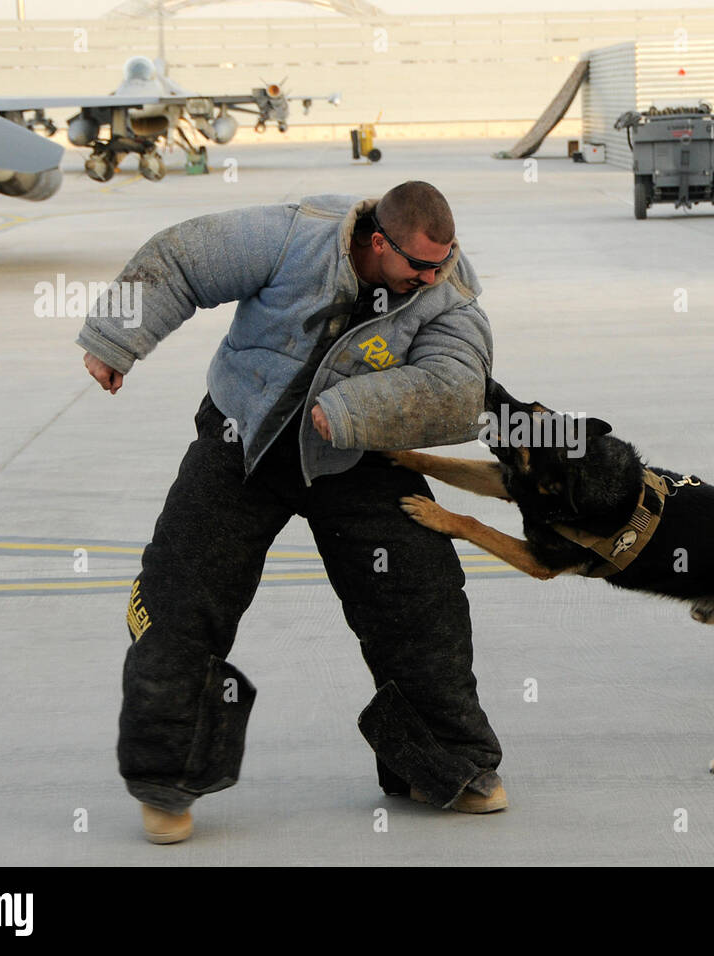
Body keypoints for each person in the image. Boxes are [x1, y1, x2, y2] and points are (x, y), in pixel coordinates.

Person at [78, 181, 506, 844]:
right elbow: (184, 257)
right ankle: (167, 781)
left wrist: (351, 412)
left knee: (422, 599)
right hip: (242, 438)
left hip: (356, 454)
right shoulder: (295, 235)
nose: (433, 276)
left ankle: (447, 765)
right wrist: (114, 338)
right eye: (419, 265)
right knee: (182, 593)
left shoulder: (449, 285)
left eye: (441, 263)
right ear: (377, 241)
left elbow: (458, 388)